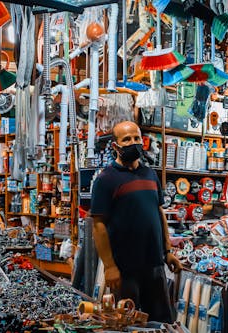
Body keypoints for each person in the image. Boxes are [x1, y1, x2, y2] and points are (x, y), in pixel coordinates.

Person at [90, 120, 182, 323]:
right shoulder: (106, 179)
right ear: (115, 146)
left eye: (137, 138)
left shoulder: (150, 174)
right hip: (125, 269)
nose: (134, 142)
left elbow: (159, 214)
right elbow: (98, 226)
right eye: (127, 139)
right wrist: (109, 266)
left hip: (154, 265)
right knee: (127, 323)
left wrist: (167, 252)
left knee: (161, 322)